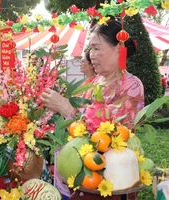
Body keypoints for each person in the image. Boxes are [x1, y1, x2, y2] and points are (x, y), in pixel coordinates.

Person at [40, 20, 144, 199]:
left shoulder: (131, 86)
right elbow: (77, 131)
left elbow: (113, 138)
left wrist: (67, 110)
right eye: (90, 49)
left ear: (118, 48)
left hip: (111, 181)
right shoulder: (93, 83)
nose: (91, 55)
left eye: (97, 48)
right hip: (83, 178)